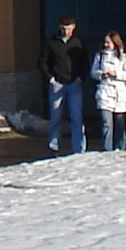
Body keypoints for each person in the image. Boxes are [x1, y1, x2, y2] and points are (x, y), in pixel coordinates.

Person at [39, 16, 90, 155]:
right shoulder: (51, 42)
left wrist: (81, 78)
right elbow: (43, 61)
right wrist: (50, 78)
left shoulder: (79, 43)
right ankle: (53, 146)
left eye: (68, 28)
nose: (66, 31)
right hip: (57, 84)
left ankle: (79, 148)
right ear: (59, 27)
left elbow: (85, 62)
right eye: (63, 28)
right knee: (56, 117)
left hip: (74, 84)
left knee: (76, 117)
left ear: (74, 27)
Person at [92, 31, 126, 152]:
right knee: (106, 124)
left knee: (120, 124)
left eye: (108, 42)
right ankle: (107, 150)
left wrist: (117, 74)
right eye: (105, 42)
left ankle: (120, 148)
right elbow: (93, 72)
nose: (106, 45)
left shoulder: (124, 57)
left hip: (119, 94)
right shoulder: (99, 56)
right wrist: (102, 75)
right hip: (105, 93)